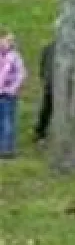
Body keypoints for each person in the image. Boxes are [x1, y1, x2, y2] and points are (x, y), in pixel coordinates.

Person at [0, 29, 27, 159]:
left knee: (8, 121)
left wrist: (12, 88)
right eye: (7, 40)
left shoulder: (14, 56)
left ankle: (7, 149)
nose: (9, 43)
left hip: (8, 94)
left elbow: (21, 74)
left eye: (11, 41)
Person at [34, 40, 54, 144]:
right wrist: (45, 79)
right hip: (51, 83)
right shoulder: (49, 48)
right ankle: (40, 133)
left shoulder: (73, 49)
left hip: (67, 84)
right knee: (47, 109)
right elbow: (43, 66)